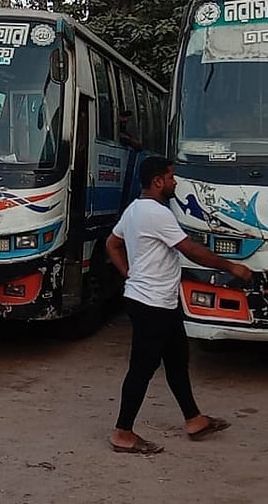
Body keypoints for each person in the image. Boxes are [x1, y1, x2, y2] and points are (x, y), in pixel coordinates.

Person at [106, 156, 252, 454]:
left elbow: (112, 243)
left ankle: (194, 419)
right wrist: (231, 267)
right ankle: (122, 432)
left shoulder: (135, 209)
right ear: (158, 181)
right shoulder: (156, 214)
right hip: (151, 303)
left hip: (158, 300)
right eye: (171, 177)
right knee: (141, 369)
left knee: (176, 361)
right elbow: (190, 250)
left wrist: (129, 273)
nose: (175, 182)